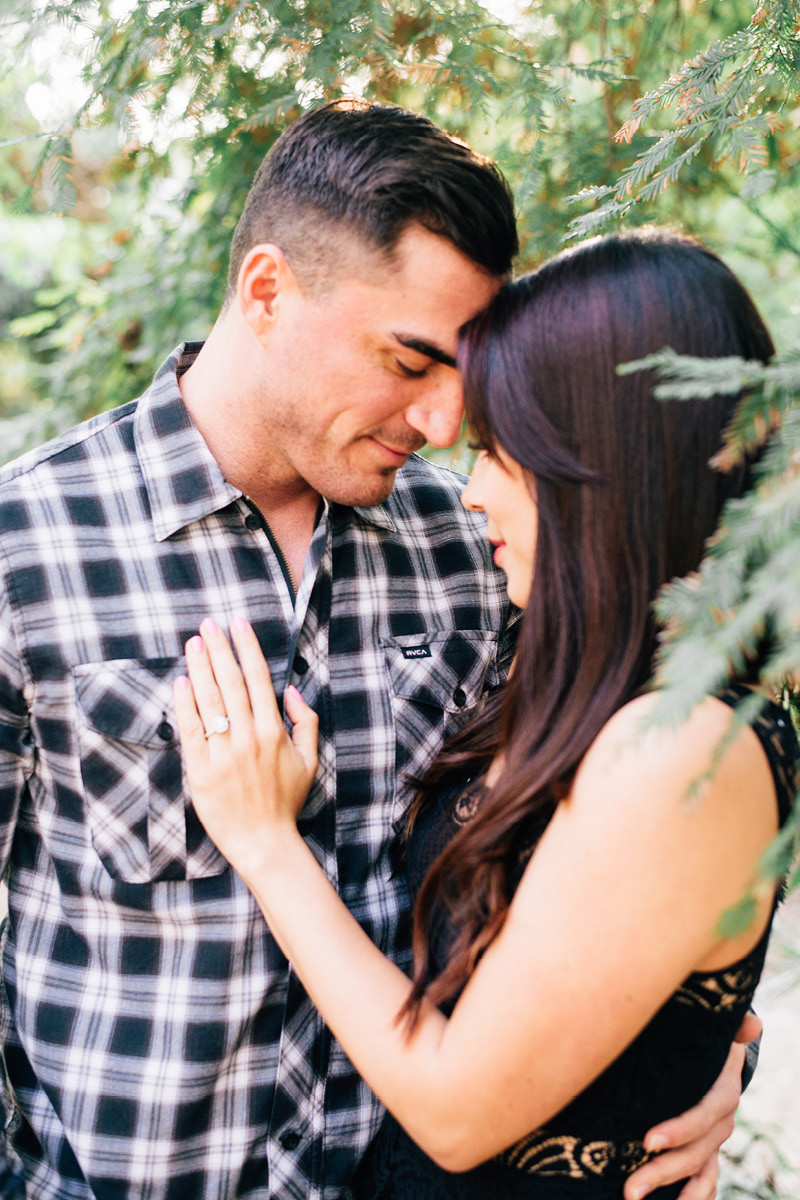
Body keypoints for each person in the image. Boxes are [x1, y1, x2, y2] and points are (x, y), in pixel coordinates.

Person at [0, 97, 746, 1199]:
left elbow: (615, 872)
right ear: (267, 291)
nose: (445, 422)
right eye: (409, 362)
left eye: (464, 374)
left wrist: (703, 1058)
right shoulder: (25, 549)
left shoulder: (478, 552)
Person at [171, 228, 796, 1200]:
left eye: (502, 454)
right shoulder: (571, 658)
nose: (468, 490)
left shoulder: (679, 744)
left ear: (603, 471)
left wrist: (263, 842)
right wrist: (704, 1056)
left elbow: (458, 1113)